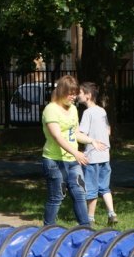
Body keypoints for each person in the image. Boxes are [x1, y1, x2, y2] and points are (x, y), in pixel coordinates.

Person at [39, 75, 98, 225]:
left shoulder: (73, 109)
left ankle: (85, 229)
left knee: (80, 193)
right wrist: (76, 153)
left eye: (75, 93)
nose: (74, 97)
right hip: (54, 161)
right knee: (56, 196)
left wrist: (91, 140)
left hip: (72, 160)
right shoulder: (51, 110)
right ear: (61, 92)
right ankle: (48, 229)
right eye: (70, 94)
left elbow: (76, 133)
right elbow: (57, 137)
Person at [77, 82, 117, 225]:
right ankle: (112, 213)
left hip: (92, 157)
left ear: (88, 95)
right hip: (105, 156)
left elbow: (81, 134)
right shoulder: (102, 111)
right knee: (105, 187)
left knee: (91, 189)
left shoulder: (87, 113)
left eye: (80, 93)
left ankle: (90, 218)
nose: (77, 95)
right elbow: (108, 131)